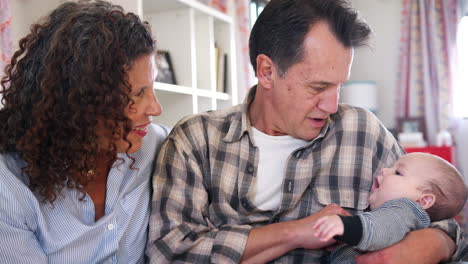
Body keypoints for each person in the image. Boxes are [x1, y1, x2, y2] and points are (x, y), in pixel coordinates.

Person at [146, 0, 465, 263]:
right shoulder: (196, 140)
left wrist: (432, 244)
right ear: (266, 71)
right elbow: (170, 252)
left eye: (339, 85)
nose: (331, 105)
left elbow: (437, 210)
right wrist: (298, 232)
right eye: (318, 86)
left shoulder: (362, 132)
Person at [0, 1, 169, 263]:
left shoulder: (156, 146)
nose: (155, 108)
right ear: (80, 102)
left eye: (151, 87)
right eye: (136, 94)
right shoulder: (9, 185)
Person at [312, 152, 468, 263]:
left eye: (398, 172)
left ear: (423, 201)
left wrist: (343, 226)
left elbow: (379, 229)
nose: (384, 170)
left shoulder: (405, 209)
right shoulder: (401, 217)